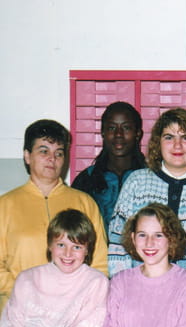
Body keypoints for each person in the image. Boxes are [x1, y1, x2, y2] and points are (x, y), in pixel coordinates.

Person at [108, 107, 186, 281]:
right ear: (158, 142)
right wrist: (124, 285)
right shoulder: (136, 182)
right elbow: (117, 242)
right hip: (139, 289)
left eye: (185, 137)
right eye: (169, 137)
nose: (177, 145)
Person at [0, 119, 108, 311]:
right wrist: (24, 293)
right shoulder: (5, 205)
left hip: (73, 312)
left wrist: (82, 300)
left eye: (59, 153)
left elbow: (100, 263)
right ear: (27, 156)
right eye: (44, 151)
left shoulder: (84, 202)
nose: (52, 158)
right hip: (19, 310)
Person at [71, 101, 146, 228]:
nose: (118, 134)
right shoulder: (86, 180)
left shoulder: (152, 178)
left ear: (138, 133)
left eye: (126, 128)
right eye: (111, 128)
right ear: (103, 132)